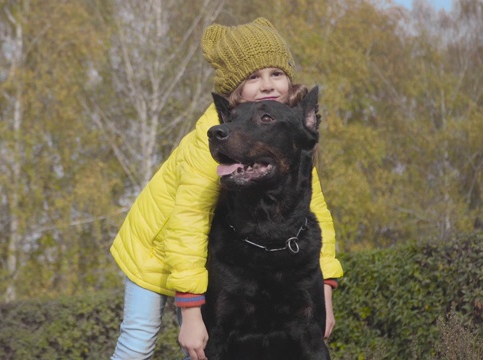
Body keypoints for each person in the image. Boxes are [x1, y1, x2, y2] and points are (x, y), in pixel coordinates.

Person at [109, 18, 344, 360]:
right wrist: (190, 312)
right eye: (253, 77)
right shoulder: (219, 140)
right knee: (139, 343)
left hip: (198, 260)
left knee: (201, 351)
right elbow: (187, 220)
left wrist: (324, 286)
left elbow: (314, 213)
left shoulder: (287, 135)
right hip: (157, 252)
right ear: (234, 90)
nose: (267, 85)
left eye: (275, 74)